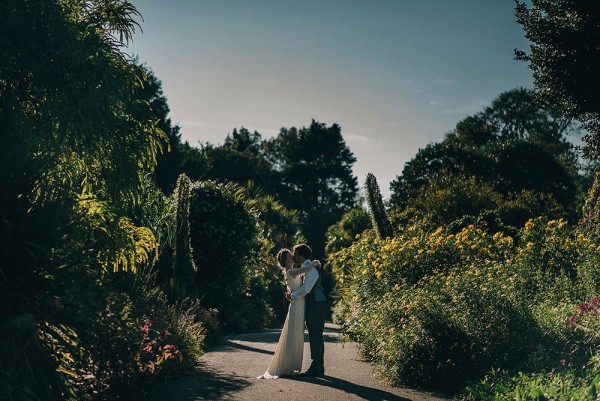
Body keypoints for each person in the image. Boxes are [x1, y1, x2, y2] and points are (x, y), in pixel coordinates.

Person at [258, 248, 320, 379]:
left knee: (295, 334)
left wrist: (290, 294)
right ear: (286, 260)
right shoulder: (291, 271)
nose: (292, 255)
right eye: (289, 255)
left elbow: (293, 286)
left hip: (298, 303)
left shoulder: (289, 272)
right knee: (294, 335)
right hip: (297, 304)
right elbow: (305, 270)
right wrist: (315, 262)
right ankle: (288, 366)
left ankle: (290, 364)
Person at [290, 243, 327, 377]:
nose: (294, 255)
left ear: (301, 255)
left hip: (317, 305)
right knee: (314, 335)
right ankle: (317, 365)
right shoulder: (306, 268)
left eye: (295, 253)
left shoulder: (310, 270)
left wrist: (292, 296)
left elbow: (306, 289)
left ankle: (317, 366)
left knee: (315, 335)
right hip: (314, 305)